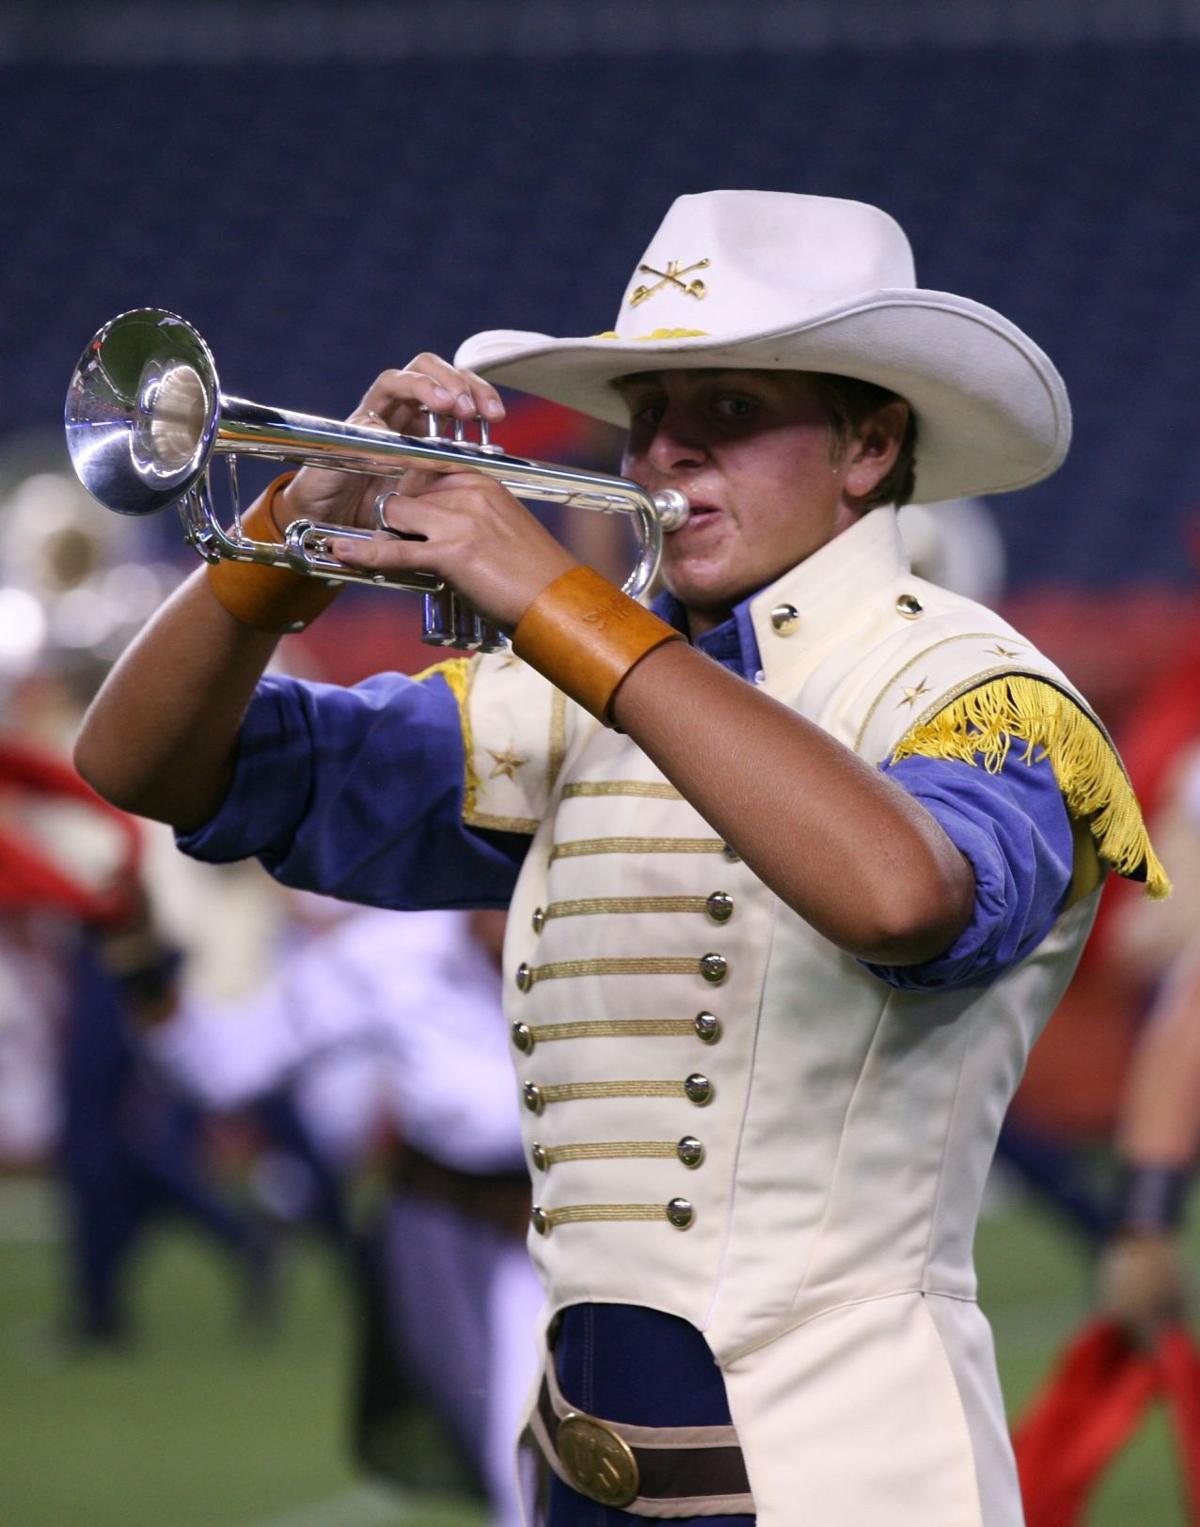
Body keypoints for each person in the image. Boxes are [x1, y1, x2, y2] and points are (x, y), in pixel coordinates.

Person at [73, 191, 1169, 1525]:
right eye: (649, 415)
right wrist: (292, 524)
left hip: (850, 1474)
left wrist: (555, 601)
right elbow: (146, 764)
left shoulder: (980, 685)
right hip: (576, 1463)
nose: (662, 460)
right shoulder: (567, 685)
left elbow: (904, 895)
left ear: (870, 443)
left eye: (727, 415)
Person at [143, 903, 540, 1527]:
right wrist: (136, 959)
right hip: (446, 1224)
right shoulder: (385, 956)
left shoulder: (627, 940)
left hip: (610, 1225)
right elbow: (224, 1066)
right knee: (514, 1467)